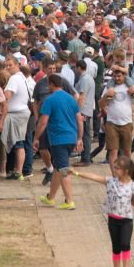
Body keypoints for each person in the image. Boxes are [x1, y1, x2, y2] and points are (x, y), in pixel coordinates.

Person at [70, 157, 134, 267]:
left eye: (117, 168)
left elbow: (133, 201)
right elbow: (94, 177)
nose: (114, 170)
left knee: (125, 244)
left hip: (126, 220)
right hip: (113, 220)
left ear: (126, 171)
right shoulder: (111, 181)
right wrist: (76, 173)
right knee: (116, 247)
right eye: (114, 167)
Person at [34, 74, 83, 210]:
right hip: (71, 138)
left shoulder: (50, 100)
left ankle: (69, 200)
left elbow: (43, 122)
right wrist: (79, 138)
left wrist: (36, 138)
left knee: (63, 169)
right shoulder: (72, 99)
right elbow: (79, 119)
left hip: (58, 139)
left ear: (51, 84)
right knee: (57, 168)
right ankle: (51, 198)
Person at [100, 66, 134, 164]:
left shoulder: (130, 86)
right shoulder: (109, 87)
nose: (117, 78)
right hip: (112, 123)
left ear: (124, 76)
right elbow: (101, 105)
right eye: (115, 76)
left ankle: (127, 176)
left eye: (119, 76)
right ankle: (115, 177)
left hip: (127, 123)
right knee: (113, 152)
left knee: (127, 152)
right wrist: (106, 96)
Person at [1, 55, 33, 180]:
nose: (8, 68)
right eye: (6, 65)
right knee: (18, 142)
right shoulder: (21, 77)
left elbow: (7, 96)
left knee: (18, 143)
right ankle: (17, 170)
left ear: (17, 65)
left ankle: (18, 171)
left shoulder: (14, 78)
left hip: (17, 114)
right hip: (21, 113)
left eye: (10, 65)